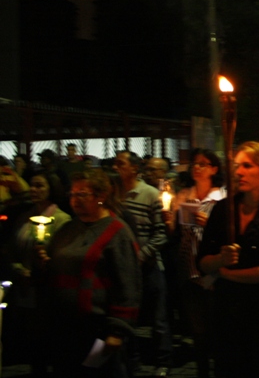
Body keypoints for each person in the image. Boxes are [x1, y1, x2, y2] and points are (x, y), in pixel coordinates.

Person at [198, 141, 259, 378]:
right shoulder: (223, 209)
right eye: (236, 166)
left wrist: (225, 273)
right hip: (226, 314)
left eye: (247, 166)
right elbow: (202, 261)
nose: (239, 172)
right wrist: (220, 259)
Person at [34, 169, 141, 377]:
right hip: (63, 326)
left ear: (101, 196)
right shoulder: (68, 229)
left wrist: (118, 330)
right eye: (72, 194)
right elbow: (55, 270)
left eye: (82, 194)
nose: (75, 200)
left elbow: (128, 284)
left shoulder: (116, 232)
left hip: (97, 328)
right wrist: (43, 263)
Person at [163, 148, 225, 378]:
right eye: (194, 164)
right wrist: (168, 221)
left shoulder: (222, 199)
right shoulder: (183, 196)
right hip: (188, 268)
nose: (196, 167)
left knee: (215, 325)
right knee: (196, 328)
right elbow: (174, 234)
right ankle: (202, 370)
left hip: (212, 272)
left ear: (214, 169)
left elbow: (228, 236)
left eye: (203, 164)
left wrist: (210, 224)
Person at [4, 170, 71, 375]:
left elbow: (63, 256)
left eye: (39, 186)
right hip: (24, 285)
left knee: (48, 337)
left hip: (47, 288)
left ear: (51, 189)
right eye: (32, 185)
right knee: (32, 338)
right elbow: (12, 249)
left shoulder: (61, 219)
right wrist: (18, 269)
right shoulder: (25, 217)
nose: (33, 189)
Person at [113, 150, 172, 377]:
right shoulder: (114, 194)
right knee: (127, 318)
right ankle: (132, 361)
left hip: (148, 265)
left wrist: (142, 255)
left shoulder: (150, 194)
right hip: (123, 267)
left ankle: (163, 361)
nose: (116, 168)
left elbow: (161, 233)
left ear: (134, 169)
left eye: (121, 164)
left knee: (159, 318)